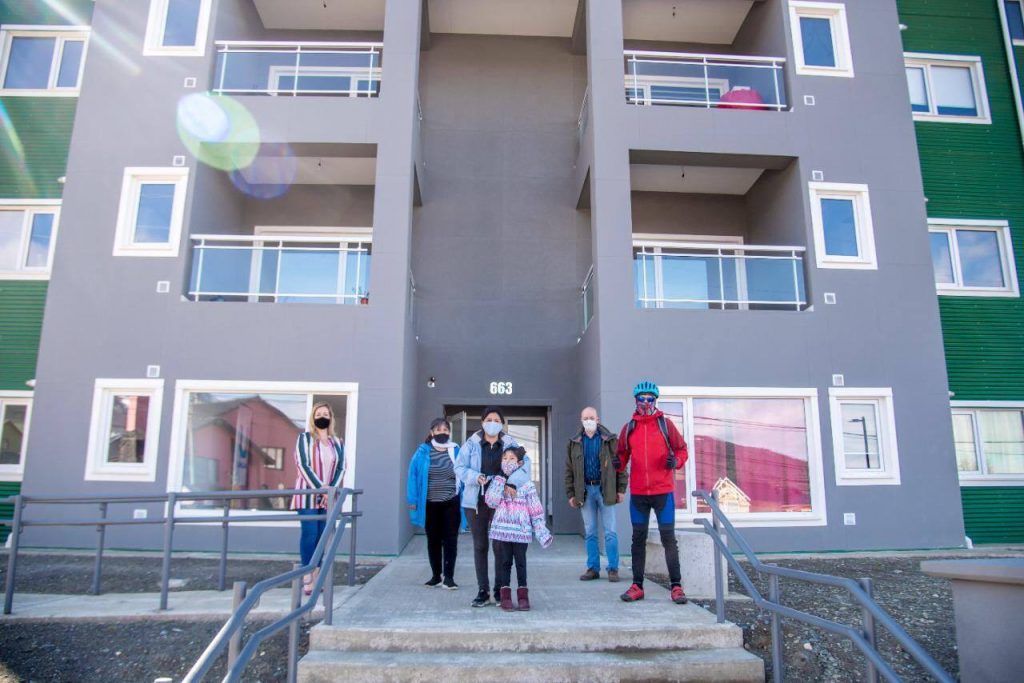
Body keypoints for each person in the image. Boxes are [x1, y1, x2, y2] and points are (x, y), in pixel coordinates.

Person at [616, 381, 689, 605]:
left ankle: (676, 587)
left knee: (668, 539)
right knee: (638, 539)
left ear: (655, 401)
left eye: (650, 399)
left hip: (662, 492)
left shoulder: (665, 425)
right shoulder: (629, 428)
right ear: (635, 400)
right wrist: (617, 464)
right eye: (642, 399)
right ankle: (637, 586)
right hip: (639, 493)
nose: (646, 403)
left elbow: (682, 449)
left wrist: (676, 461)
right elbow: (622, 454)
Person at [454, 406, 532, 608]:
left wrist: (512, 483)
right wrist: (475, 477)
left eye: (497, 420)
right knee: (480, 546)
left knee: (500, 547)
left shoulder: (510, 444)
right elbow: (459, 467)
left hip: (502, 502)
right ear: (482, 422)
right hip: (476, 502)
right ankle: (483, 590)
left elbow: (525, 464)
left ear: (502, 424)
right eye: (489, 419)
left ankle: (499, 590)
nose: (492, 423)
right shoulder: (471, 444)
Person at [485, 445, 552, 611]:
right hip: (503, 531)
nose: (507, 462)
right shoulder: (497, 480)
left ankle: (523, 596)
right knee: (505, 563)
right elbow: (491, 501)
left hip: (521, 531)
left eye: (511, 459)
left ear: (520, 463)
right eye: (504, 458)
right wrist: (500, 481)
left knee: (521, 563)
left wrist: (541, 530)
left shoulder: (527, 484)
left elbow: (535, 508)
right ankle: (505, 596)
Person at [565, 406, 626, 582]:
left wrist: (621, 489)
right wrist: (571, 493)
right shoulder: (574, 443)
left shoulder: (610, 440)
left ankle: (613, 568)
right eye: (585, 418)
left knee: (610, 532)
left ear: (598, 420)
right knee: (590, 532)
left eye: (592, 418)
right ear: (581, 420)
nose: (589, 421)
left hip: (606, 490)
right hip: (585, 491)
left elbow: (621, 466)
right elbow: (569, 470)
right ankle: (593, 568)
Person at [290, 402, 345, 596]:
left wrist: (330, 490)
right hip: (308, 494)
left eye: (326, 414)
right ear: (313, 417)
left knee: (323, 535)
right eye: (319, 413)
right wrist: (320, 489)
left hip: (327, 496)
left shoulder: (337, 442)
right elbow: (302, 465)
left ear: (331, 418)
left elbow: (341, 467)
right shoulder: (304, 439)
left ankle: (317, 573)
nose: (322, 416)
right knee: (310, 533)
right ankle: (307, 574)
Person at [407, 417, 463, 590]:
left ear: (449, 433)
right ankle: (436, 576)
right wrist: (412, 500)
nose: (442, 433)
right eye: (438, 430)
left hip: (451, 503)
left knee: (451, 541)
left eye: (445, 430)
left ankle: (449, 578)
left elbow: (464, 473)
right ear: (432, 432)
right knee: (433, 540)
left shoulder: (456, 450)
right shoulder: (422, 451)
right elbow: (413, 476)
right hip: (430, 505)